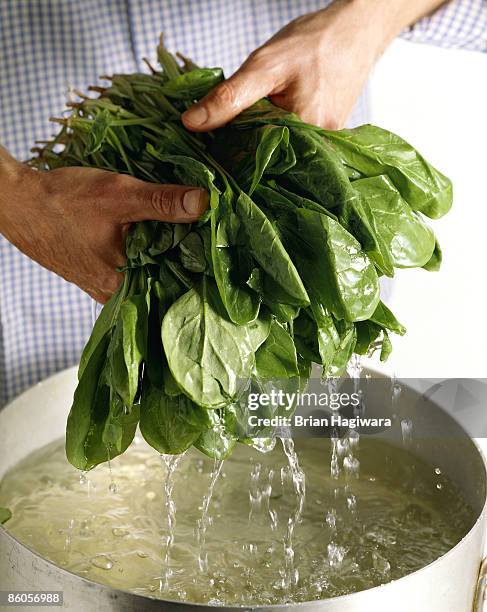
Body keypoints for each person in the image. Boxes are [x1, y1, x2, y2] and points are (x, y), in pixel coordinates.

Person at [0, 0, 485, 405]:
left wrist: (366, 19)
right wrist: (16, 196)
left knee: (295, 379)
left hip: (293, 175)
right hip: (35, 245)